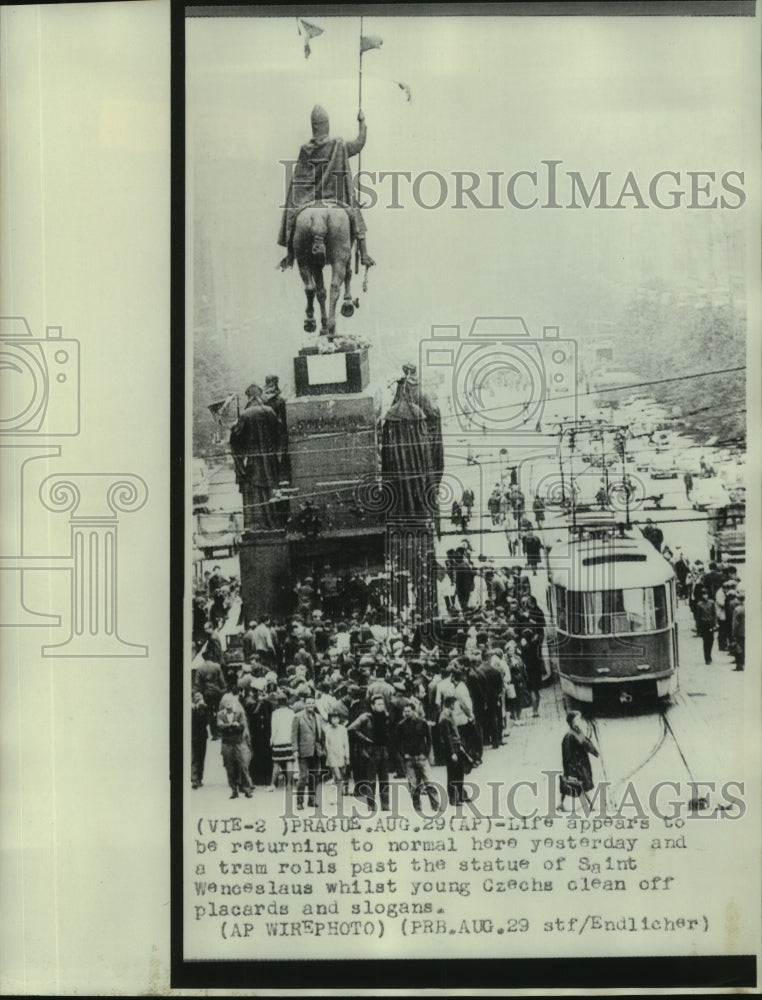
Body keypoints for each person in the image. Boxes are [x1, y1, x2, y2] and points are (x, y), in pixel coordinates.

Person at [278, 105, 375, 269]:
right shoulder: (339, 145)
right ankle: (364, 253)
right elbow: (359, 143)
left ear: (313, 126)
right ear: (326, 124)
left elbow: (299, 181)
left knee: (292, 206)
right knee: (354, 209)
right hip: (336, 198)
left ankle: (290, 253)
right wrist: (362, 122)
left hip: (308, 199)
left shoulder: (305, 150)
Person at [347, 695, 393, 810]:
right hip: (371, 751)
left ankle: (385, 806)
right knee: (371, 780)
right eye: (378, 704)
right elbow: (351, 728)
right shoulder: (366, 717)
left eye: (382, 704)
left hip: (383, 750)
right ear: (372, 706)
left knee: (384, 780)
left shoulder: (385, 717)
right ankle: (371, 806)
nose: (381, 707)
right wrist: (365, 739)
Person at [396, 703, 439, 813]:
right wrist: (403, 754)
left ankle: (435, 805)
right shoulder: (400, 726)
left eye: (409, 711)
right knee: (413, 784)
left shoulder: (422, 723)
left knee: (429, 781)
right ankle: (417, 806)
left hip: (421, 757)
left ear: (414, 711)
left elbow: (429, 739)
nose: (406, 713)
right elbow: (398, 743)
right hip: (409, 759)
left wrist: (425, 753)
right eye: (405, 711)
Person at [217, 679, 254, 799]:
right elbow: (219, 727)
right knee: (230, 768)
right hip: (227, 744)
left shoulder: (239, 713)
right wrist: (232, 726)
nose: (227, 703)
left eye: (230, 701)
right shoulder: (220, 714)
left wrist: (228, 727)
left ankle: (247, 789)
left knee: (243, 767)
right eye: (225, 701)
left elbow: (242, 726)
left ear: (233, 702)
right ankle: (234, 790)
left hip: (239, 742)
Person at [291, 695, 326, 809]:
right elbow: (294, 735)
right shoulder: (298, 717)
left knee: (314, 776)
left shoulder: (318, 717)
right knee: (303, 776)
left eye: (312, 703)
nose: (310, 705)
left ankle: (312, 800)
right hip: (303, 751)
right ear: (305, 704)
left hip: (316, 751)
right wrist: (295, 749)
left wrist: (323, 749)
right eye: (308, 703)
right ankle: (299, 801)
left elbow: (322, 735)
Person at [560, 711, 599, 811]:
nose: (580, 721)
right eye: (578, 719)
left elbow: (586, 743)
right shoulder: (569, 736)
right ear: (573, 721)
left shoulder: (577, 731)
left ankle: (561, 804)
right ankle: (591, 806)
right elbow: (567, 755)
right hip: (576, 765)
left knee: (573, 785)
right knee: (581, 785)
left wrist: (595, 752)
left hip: (581, 762)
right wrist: (570, 768)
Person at [439, 695, 467, 806]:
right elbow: (447, 737)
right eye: (454, 704)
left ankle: (460, 796)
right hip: (451, 749)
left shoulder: (449, 715)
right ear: (450, 704)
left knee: (459, 772)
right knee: (452, 774)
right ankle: (453, 798)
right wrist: (452, 752)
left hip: (456, 746)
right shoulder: (444, 717)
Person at [268, 691, 296, 792]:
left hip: (278, 740)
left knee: (276, 763)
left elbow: (274, 729)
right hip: (289, 740)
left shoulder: (275, 713)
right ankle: (289, 784)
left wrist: (271, 740)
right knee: (289, 762)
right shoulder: (291, 712)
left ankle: (272, 784)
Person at [324, 711, 350, 798]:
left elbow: (346, 743)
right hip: (332, 755)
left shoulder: (343, 729)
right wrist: (328, 754)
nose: (336, 720)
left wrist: (347, 756)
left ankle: (337, 792)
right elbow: (326, 743)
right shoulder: (327, 729)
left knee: (342, 774)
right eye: (333, 718)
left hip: (341, 754)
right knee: (337, 775)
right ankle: (337, 794)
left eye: (337, 718)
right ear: (330, 719)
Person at [695, 589, 718, 665]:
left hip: (710, 624)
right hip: (704, 624)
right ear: (702, 596)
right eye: (704, 594)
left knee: (711, 640)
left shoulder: (711, 603)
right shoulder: (699, 604)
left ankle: (709, 655)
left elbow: (714, 614)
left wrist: (715, 624)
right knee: (706, 642)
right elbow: (698, 617)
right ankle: (707, 658)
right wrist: (698, 627)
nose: (705, 596)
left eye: (706, 594)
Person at [191, 691, 208, 789]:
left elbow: (205, 722)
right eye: (197, 697)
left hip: (202, 736)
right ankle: (194, 779)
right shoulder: (191, 710)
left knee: (201, 758)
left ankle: (199, 778)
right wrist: (195, 709)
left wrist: (203, 709)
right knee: (194, 757)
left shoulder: (204, 709)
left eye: (200, 696)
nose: (198, 698)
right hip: (194, 736)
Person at [731, 587, 745, 671]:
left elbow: (735, 624)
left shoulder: (737, 609)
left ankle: (739, 665)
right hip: (745, 632)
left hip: (739, 632)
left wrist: (733, 634)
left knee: (738, 648)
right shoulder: (745, 608)